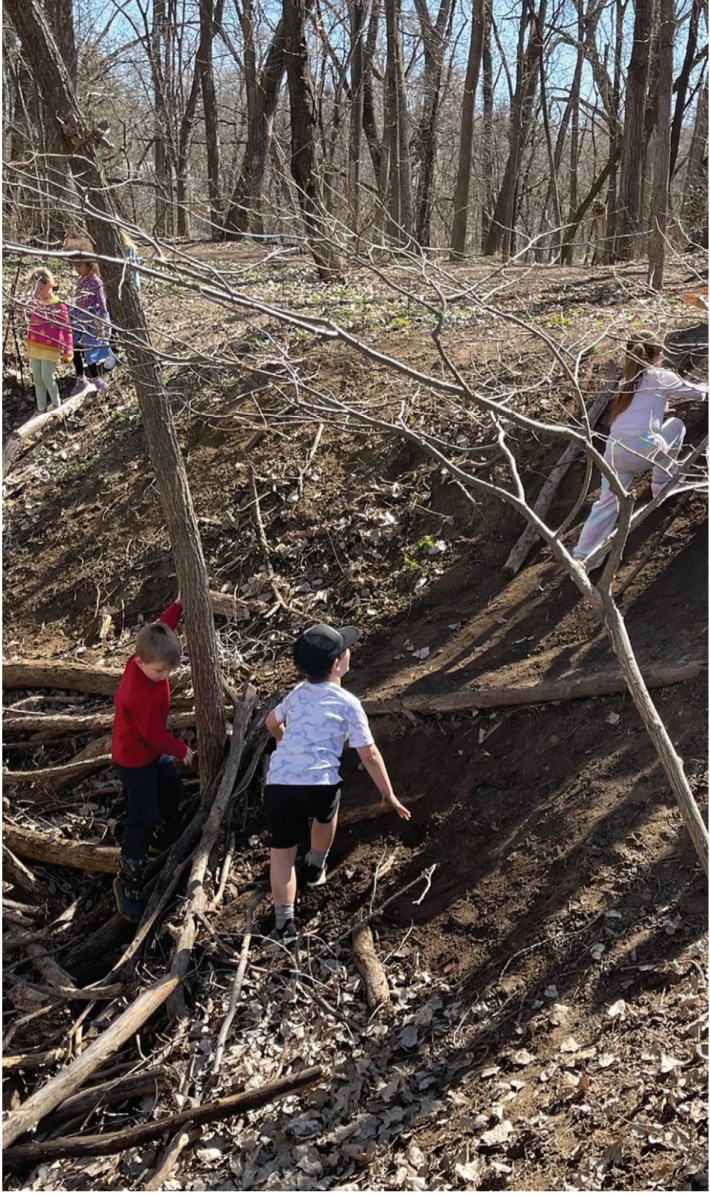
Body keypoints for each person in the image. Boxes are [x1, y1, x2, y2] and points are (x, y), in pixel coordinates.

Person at [263, 623, 410, 942]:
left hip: (279, 785)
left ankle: (284, 922)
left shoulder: (296, 694)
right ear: (338, 664)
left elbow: (270, 722)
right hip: (320, 783)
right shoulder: (348, 703)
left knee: (282, 854)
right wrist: (388, 794)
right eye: (345, 649)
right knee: (326, 813)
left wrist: (281, 738)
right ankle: (316, 863)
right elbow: (369, 753)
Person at [573, 335, 708, 567]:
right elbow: (700, 393)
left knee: (607, 502)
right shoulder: (662, 377)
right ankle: (663, 484)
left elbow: (635, 410)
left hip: (614, 452)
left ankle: (585, 557)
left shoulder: (625, 380)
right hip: (643, 451)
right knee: (676, 426)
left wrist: (659, 407)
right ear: (656, 356)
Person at [111, 596, 195, 921]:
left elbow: (163, 627)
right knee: (142, 816)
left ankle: (163, 838)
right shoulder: (139, 693)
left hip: (150, 754)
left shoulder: (147, 651)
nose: (165, 675)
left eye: (169, 669)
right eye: (161, 670)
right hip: (134, 759)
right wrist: (181, 749)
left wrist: (177, 604)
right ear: (141, 662)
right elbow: (154, 735)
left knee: (172, 788)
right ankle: (128, 878)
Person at [65, 237, 114, 397]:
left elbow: (101, 300)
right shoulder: (83, 280)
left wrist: (102, 318)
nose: (76, 269)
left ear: (89, 264)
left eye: (79, 265)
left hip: (89, 320)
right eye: (75, 266)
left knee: (89, 351)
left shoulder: (94, 280)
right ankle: (80, 378)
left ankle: (96, 378)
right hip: (78, 319)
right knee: (76, 349)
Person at [22, 268, 73, 412]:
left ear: (50, 284)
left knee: (46, 377)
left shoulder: (58, 305)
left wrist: (68, 348)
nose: (37, 292)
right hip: (35, 344)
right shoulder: (35, 302)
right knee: (37, 378)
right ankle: (41, 407)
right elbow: (27, 315)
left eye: (41, 288)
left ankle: (57, 406)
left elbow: (66, 328)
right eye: (35, 289)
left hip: (51, 346)